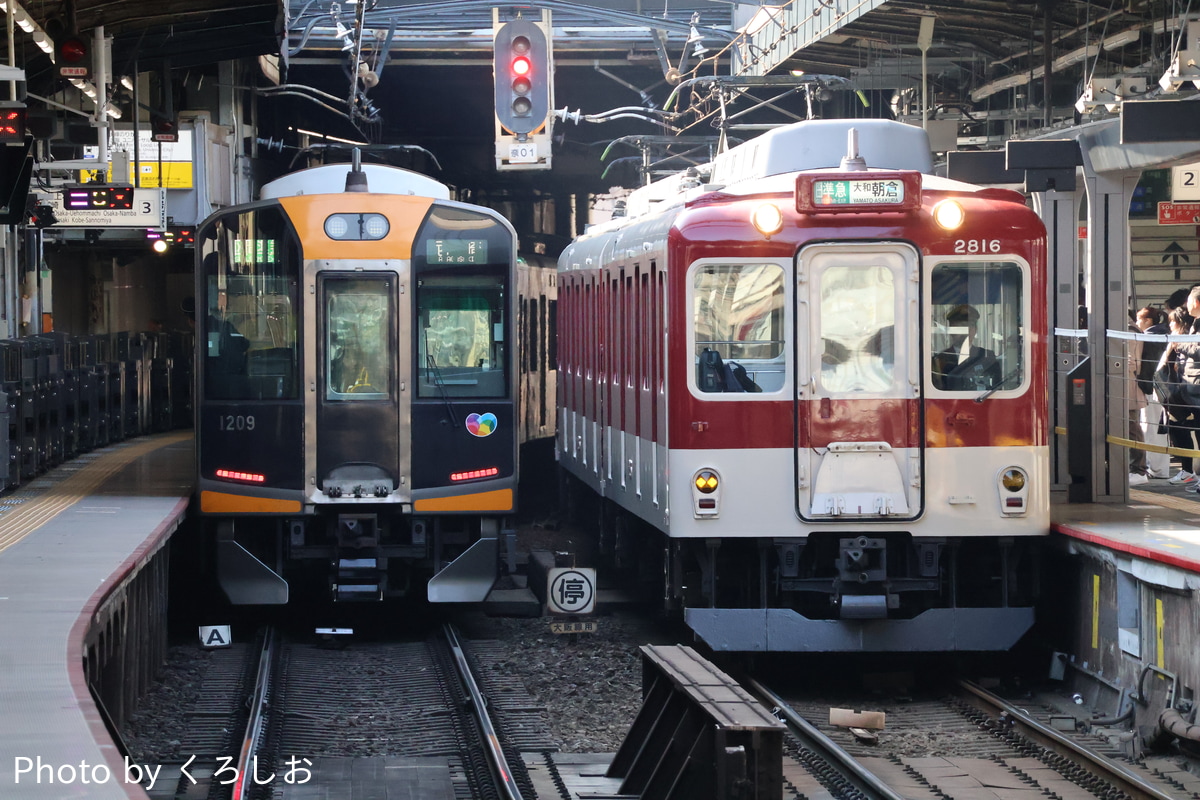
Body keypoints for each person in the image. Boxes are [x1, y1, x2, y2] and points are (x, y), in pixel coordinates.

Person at [1161, 305, 1200, 486]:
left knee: (1185, 429)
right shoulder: (1178, 340)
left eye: (1172, 322)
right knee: (1177, 428)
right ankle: (1187, 470)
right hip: (1176, 393)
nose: (1170, 326)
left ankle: (1190, 471)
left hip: (1185, 392)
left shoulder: (1185, 340)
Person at [1135, 305, 1171, 479]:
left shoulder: (1149, 338)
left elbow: (1147, 366)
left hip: (1152, 388)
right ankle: (1159, 468)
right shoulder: (1163, 333)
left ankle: (1156, 468)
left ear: (1147, 320)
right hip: (1164, 388)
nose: (1136, 322)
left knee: (1151, 427)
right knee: (1159, 429)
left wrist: (1143, 385)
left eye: (1139, 319)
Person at [931, 303, 1001, 390]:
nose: (966, 332)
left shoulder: (987, 356)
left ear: (975, 330)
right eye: (960, 327)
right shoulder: (939, 360)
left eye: (970, 327)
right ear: (951, 332)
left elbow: (997, 389)